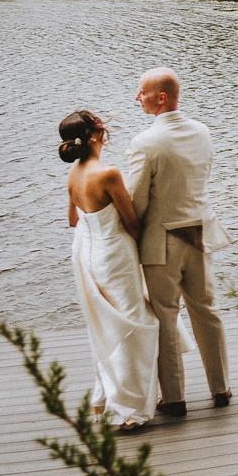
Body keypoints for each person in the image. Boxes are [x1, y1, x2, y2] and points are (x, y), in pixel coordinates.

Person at [125, 67, 232, 416]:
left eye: (141, 92)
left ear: (161, 97)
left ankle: (174, 398)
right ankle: (221, 388)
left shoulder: (145, 143)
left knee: (165, 318)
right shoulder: (203, 132)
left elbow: (137, 201)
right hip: (200, 234)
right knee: (208, 311)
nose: (136, 97)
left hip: (163, 241)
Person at [59, 109, 159, 430]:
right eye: (101, 128)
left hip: (87, 254)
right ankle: (128, 408)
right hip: (115, 255)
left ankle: (104, 397)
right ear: (92, 137)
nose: (105, 131)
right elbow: (132, 222)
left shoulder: (74, 174)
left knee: (105, 327)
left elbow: (73, 220)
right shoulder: (108, 174)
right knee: (132, 325)